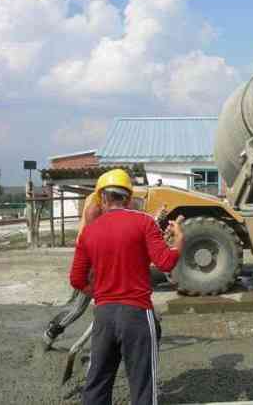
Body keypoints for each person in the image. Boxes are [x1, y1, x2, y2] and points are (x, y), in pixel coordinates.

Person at [70, 168, 185, 405]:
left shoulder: (89, 233)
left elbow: (77, 279)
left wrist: (101, 295)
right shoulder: (143, 222)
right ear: (129, 198)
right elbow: (165, 262)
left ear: (102, 198)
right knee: (143, 385)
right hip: (137, 315)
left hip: (103, 315)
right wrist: (179, 242)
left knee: (97, 383)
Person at [42, 181, 105, 349]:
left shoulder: (99, 203)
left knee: (106, 307)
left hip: (98, 265)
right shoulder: (95, 209)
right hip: (92, 268)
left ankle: (107, 341)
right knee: (80, 308)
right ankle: (53, 331)